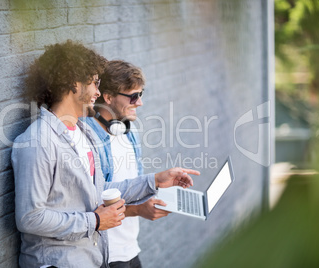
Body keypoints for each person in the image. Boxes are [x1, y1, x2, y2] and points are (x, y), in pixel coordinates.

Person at [11, 40, 199, 268]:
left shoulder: (82, 133)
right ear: (74, 84)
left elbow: (99, 192)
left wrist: (155, 180)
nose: (98, 92)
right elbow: (30, 218)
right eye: (94, 83)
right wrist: (96, 220)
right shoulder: (38, 141)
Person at [85, 60, 170, 268]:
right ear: (108, 97)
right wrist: (139, 209)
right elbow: (93, 201)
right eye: (133, 96)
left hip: (130, 247)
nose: (139, 103)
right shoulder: (87, 139)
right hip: (107, 254)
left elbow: (133, 186)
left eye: (141, 95)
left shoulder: (128, 131)